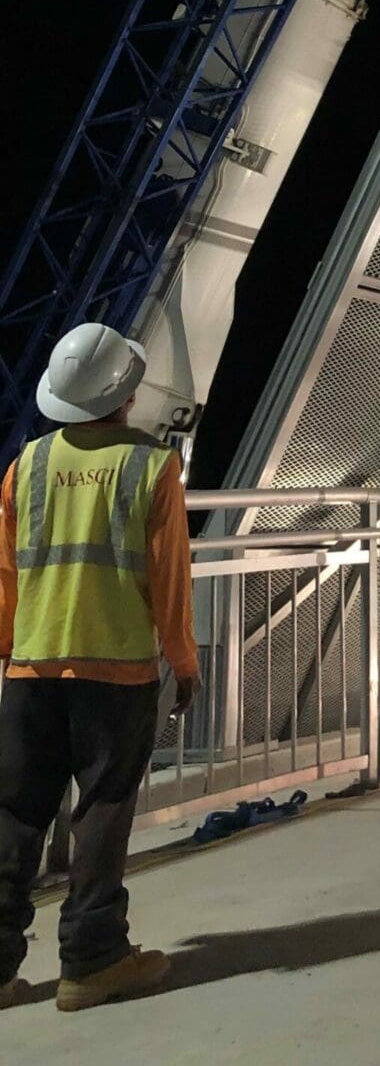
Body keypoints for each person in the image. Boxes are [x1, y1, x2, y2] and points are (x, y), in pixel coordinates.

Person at [0, 323, 199, 1014]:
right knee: (103, 811)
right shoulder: (152, 467)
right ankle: (93, 960)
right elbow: (169, 576)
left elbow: (5, 572)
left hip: (31, 670)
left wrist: (7, 647)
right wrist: (183, 660)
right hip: (115, 673)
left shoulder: (26, 465)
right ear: (127, 394)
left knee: (14, 815)